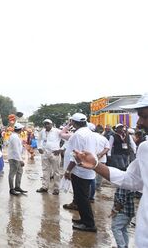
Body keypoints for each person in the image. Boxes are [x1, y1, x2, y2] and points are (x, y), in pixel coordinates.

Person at [74, 93, 148, 246]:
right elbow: (132, 180)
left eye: (144, 116)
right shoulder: (145, 149)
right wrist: (96, 165)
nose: (139, 123)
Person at [63, 113, 98, 232]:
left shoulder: (79, 134)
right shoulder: (89, 133)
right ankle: (84, 219)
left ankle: (89, 224)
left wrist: (68, 170)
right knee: (80, 197)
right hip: (86, 170)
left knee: (82, 198)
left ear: (73, 122)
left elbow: (76, 155)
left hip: (80, 170)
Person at [37, 119, 63, 195]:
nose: (46, 125)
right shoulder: (42, 132)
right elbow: (38, 140)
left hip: (55, 153)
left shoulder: (57, 131)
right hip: (45, 153)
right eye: (45, 124)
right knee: (45, 170)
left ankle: (56, 188)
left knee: (56, 172)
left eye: (48, 124)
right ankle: (45, 187)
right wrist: (39, 148)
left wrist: (60, 149)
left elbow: (68, 140)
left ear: (52, 124)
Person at [7, 123, 27, 196]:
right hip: (14, 158)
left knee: (20, 171)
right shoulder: (14, 137)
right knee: (12, 173)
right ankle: (12, 189)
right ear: (20, 129)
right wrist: (20, 160)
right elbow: (16, 150)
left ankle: (17, 187)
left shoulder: (15, 136)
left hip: (16, 157)